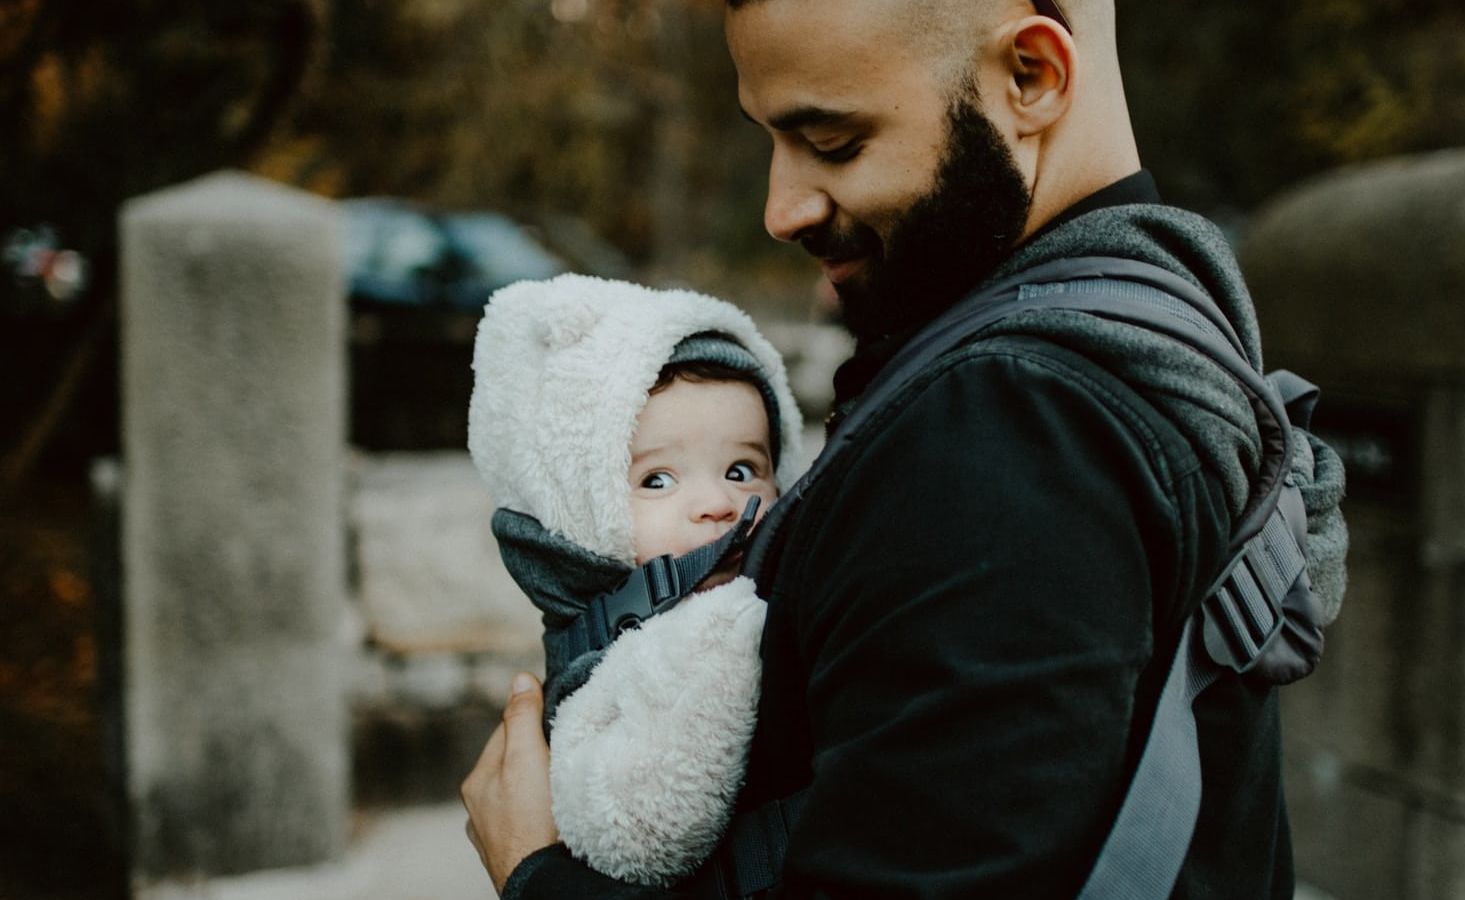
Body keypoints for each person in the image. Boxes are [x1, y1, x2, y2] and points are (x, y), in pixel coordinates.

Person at [463, 1, 1349, 897]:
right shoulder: (1165, 314)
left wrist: (539, 874)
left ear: (1032, 77)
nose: (782, 207)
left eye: (834, 141)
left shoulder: (1009, 429)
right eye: (772, 139)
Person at [465, 274, 806, 886]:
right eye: (657, 479)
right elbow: (638, 824)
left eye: (741, 468)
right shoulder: (610, 639)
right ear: (580, 514)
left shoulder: (785, 611)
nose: (719, 504)